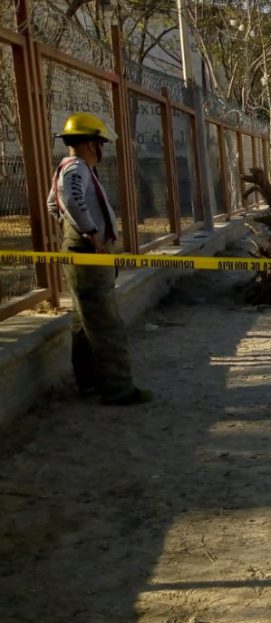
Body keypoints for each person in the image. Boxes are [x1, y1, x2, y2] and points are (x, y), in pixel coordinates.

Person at [45, 112, 152, 406]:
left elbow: (53, 204)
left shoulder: (68, 167)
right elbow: (69, 198)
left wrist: (70, 230)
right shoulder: (77, 168)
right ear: (92, 143)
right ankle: (118, 389)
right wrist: (90, 233)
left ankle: (88, 382)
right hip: (88, 253)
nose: (103, 149)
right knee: (106, 323)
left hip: (79, 251)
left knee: (85, 322)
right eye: (102, 142)